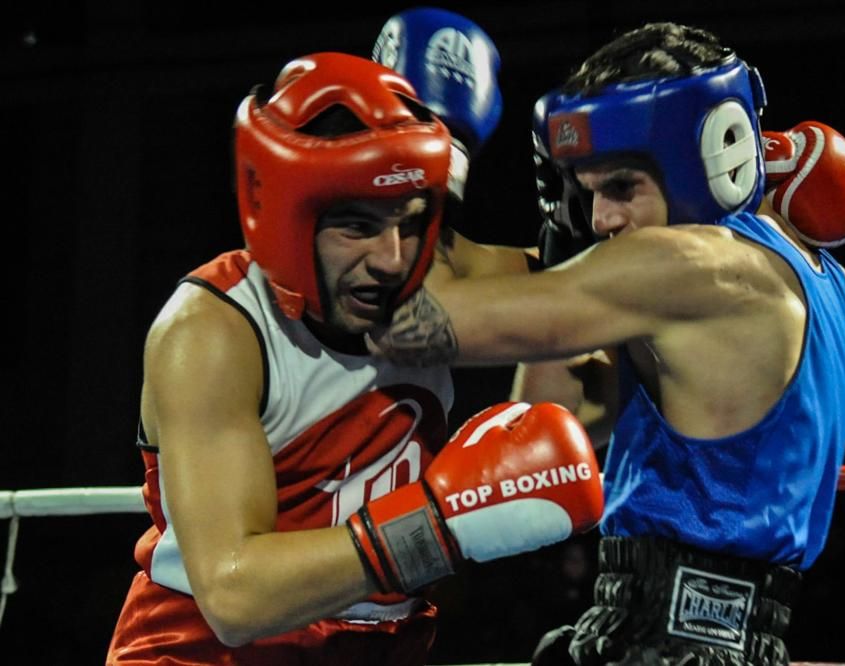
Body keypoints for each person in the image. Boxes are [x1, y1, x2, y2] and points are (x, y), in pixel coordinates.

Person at [370, 21, 845, 666]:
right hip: (702, 632)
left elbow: (409, 325)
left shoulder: (687, 268)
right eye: (585, 192)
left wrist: (439, 155)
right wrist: (560, 245)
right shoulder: (813, 273)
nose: (601, 218)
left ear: (710, 158)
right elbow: (555, 412)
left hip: (671, 641)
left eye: (621, 188)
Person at [105, 51, 603, 665]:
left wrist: (587, 217)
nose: (393, 258)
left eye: (411, 221)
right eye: (356, 227)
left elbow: (590, 292)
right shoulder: (214, 331)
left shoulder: (430, 274)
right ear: (286, 217)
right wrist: (440, 524)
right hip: (207, 653)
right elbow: (235, 598)